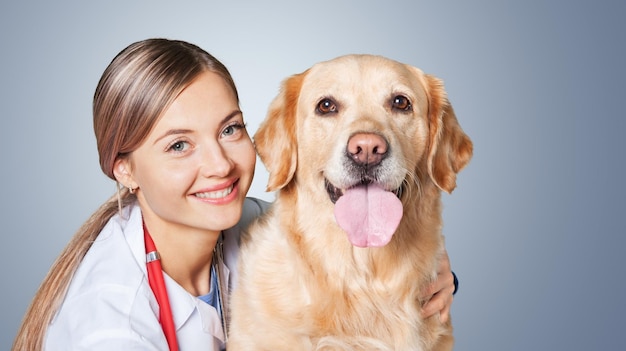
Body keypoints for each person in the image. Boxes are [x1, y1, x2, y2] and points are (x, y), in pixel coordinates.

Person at [12, 38, 457, 351]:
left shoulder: (255, 228)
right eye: (178, 145)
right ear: (124, 169)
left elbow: (340, 232)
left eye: (229, 129)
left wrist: (436, 273)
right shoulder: (109, 326)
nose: (220, 166)